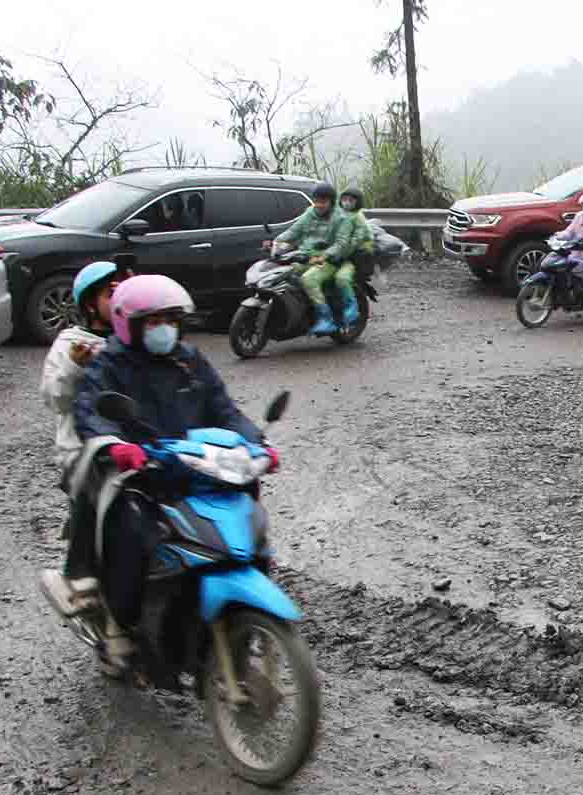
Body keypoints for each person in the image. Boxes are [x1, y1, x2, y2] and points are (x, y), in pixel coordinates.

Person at [65, 275, 278, 672]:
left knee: (247, 515)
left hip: (195, 467)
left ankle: (233, 610)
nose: (163, 328)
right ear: (128, 323)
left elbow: (224, 410)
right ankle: (119, 624)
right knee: (133, 535)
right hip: (141, 473)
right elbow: (91, 412)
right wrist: (117, 446)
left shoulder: (189, 361)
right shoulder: (110, 365)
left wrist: (257, 443)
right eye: (152, 321)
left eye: (170, 319)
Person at [37, 260, 131, 621]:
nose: (120, 300)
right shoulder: (72, 344)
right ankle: (80, 575)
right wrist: (77, 367)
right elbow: (54, 397)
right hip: (84, 450)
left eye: (124, 292)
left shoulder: (133, 337)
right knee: (98, 493)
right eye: (111, 294)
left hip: (135, 441)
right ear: (91, 303)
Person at [272, 181, 353, 335]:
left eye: (323, 201)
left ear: (331, 201)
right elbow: (294, 231)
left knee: (309, 280)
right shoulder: (310, 213)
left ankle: (327, 318)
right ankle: (299, 312)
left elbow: (341, 244)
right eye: (316, 201)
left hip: (331, 261)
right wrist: (277, 242)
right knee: (285, 274)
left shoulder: (341, 218)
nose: (319, 205)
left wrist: (325, 255)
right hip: (308, 258)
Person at [331, 186, 374, 327]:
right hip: (341, 254)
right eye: (344, 199)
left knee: (341, 278)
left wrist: (338, 254)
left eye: (351, 200)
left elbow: (354, 242)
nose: (347, 202)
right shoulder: (339, 215)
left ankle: (352, 308)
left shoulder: (359, 219)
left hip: (355, 258)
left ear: (358, 202)